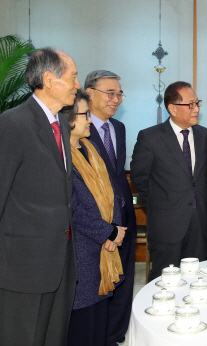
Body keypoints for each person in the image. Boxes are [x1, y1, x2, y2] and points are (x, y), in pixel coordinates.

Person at [0, 47, 80, 346]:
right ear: (49, 80)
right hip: (23, 268)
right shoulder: (12, 124)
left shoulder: (58, 123)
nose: (77, 85)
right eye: (72, 77)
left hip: (60, 262)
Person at [61, 90, 126, 346]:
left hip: (105, 248)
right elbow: (72, 207)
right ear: (67, 119)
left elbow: (113, 191)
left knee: (100, 320)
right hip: (82, 250)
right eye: (84, 114)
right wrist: (107, 232)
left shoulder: (91, 147)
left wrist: (116, 229)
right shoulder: (61, 156)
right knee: (82, 324)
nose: (90, 119)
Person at [130, 81, 207, 281]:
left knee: (196, 280)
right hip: (167, 226)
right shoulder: (150, 137)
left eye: (197, 103)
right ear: (173, 108)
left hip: (199, 223)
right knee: (163, 281)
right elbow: (139, 178)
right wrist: (163, 202)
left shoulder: (205, 136)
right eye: (191, 104)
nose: (197, 109)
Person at [84, 70, 135, 346]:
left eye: (119, 94)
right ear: (89, 93)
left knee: (124, 281)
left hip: (124, 217)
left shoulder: (118, 128)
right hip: (97, 224)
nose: (116, 99)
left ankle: (115, 336)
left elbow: (117, 176)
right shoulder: (77, 130)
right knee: (99, 284)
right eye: (110, 93)